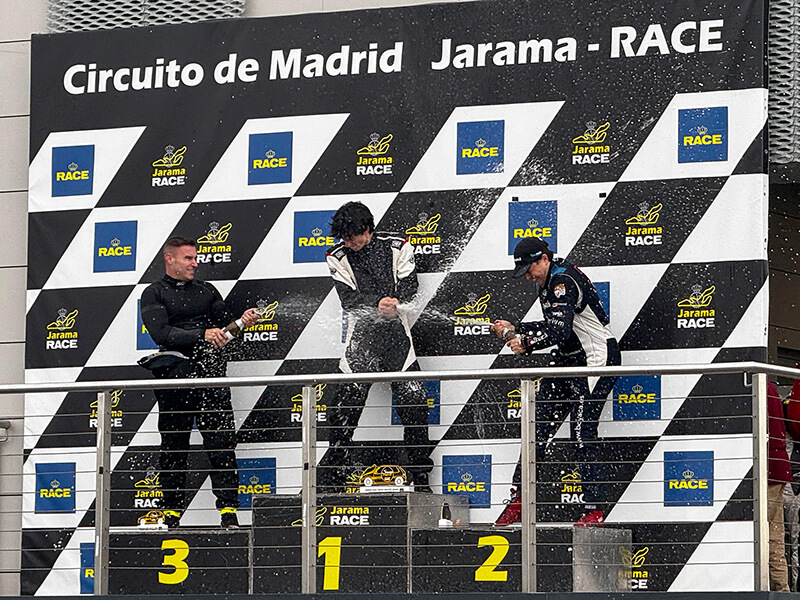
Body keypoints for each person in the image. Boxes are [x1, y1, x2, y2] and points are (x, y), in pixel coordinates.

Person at [492, 237, 620, 526]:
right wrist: (516, 327)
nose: (528, 277)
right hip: (568, 358)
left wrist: (525, 343)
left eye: (529, 269)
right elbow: (556, 327)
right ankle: (519, 499)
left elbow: (560, 332)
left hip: (594, 358)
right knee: (535, 429)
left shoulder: (562, 280)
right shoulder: (547, 280)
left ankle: (594, 510)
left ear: (543, 259)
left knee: (582, 432)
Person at [140, 236, 258, 528]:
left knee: (221, 444)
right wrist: (201, 334)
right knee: (174, 445)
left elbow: (226, 332)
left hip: (211, 375)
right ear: (170, 259)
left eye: (196, 258)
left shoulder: (207, 290)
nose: (195, 263)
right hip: (175, 379)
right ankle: (171, 513)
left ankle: (229, 512)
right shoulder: (154, 293)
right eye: (188, 258)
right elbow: (160, 333)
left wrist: (242, 323)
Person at [321, 201, 433, 491]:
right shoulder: (336, 256)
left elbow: (410, 286)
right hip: (362, 342)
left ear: (368, 229)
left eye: (353, 237)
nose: (349, 243)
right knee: (342, 412)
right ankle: (335, 481)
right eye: (344, 238)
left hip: (398, 339)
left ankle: (421, 480)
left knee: (415, 408)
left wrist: (395, 303)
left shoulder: (397, 246)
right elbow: (348, 300)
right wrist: (376, 303)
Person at [768, 379, 793, 591]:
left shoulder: (756, 387)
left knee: (767, 533)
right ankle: (781, 588)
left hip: (767, 470)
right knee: (774, 534)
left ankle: (778, 587)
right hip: (777, 468)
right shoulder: (769, 388)